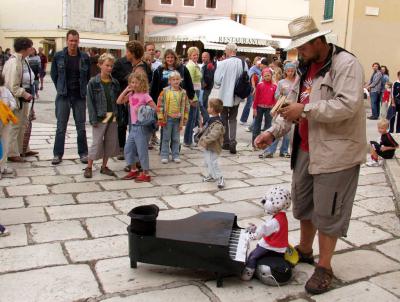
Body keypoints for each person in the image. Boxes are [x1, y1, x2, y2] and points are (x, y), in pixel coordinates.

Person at [255, 16, 366, 294]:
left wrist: (305, 110)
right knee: (304, 204)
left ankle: (325, 266)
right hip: (305, 148)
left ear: (318, 41)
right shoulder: (305, 68)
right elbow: (289, 105)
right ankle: (305, 249)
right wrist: (272, 133)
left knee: (329, 211)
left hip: (336, 152)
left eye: (302, 47)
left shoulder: (346, 65)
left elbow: (348, 105)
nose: (299, 53)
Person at [50, 30, 90, 165]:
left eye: (75, 40)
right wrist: (60, 88)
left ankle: (83, 153)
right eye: (71, 40)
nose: (73, 43)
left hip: (79, 95)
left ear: (78, 41)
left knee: (81, 127)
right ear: (67, 41)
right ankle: (57, 154)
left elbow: (88, 75)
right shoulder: (58, 56)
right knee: (61, 126)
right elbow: (54, 75)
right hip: (64, 96)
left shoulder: (84, 57)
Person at [112, 40, 152, 160]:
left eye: (128, 52)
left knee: (137, 134)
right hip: (136, 105)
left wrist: (128, 97)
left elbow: (140, 89)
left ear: (133, 54)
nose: (126, 54)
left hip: (137, 108)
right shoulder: (139, 66)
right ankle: (136, 160)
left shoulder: (139, 69)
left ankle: (137, 161)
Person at [241, 186, 291, 281]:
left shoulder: (275, 221)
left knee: (252, 256)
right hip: (279, 245)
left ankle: (247, 274)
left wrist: (251, 236)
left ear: (277, 204)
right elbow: (269, 230)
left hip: (272, 246)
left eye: (269, 200)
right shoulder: (282, 217)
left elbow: (263, 231)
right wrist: (256, 228)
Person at [84, 53, 120, 178]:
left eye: (111, 66)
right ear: (100, 65)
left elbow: (117, 100)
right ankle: (88, 166)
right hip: (100, 116)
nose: (109, 68)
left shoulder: (114, 82)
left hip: (112, 116)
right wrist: (93, 118)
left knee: (110, 142)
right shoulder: (93, 82)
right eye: (107, 65)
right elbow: (90, 102)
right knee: (97, 142)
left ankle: (104, 166)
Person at [2, 37, 38, 163]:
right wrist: (24, 94)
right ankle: (12, 152)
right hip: (17, 99)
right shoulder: (14, 63)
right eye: (30, 46)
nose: (32, 49)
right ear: (25, 48)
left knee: (23, 124)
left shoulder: (23, 60)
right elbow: (13, 86)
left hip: (24, 99)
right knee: (15, 125)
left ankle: (23, 149)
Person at [117, 71, 156, 182]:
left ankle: (146, 173)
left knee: (142, 151)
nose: (133, 84)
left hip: (142, 127)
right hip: (133, 127)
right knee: (128, 149)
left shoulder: (145, 96)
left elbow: (155, 109)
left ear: (142, 83)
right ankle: (134, 170)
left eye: (136, 83)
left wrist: (143, 110)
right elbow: (119, 101)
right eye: (132, 82)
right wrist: (126, 89)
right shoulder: (131, 95)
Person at [214, 43, 248, 154]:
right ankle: (233, 141)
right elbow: (246, 78)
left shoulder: (223, 63)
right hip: (237, 95)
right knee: (233, 119)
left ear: (228, 51)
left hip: (224, 95)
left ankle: (226, 141)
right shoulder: (243, 63)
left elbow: (217, 81)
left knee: (223, 118)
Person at [259, 62, 297, 158]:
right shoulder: (281, 82)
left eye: (292, 71)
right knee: (277, 129)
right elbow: (276, 96)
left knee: (288, 131)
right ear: (285, 71)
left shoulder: (297, 82)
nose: (290, 73)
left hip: (293, 107)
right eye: (288, 71)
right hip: (282, 107)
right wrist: (281, 92)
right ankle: (271, 150)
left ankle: (284, 150)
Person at [157, 71, 190, 164]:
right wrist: (160, 117)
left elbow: (187, 106)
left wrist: (185, 118)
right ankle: (164, 155)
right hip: (167, 119)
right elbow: (160, 104)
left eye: (177, 79)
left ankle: (175, 155)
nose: (176, 81)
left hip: (178, 120)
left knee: (176, 138)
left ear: (180, 80)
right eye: (173, 80)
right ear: (169, 81)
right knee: (166, 138)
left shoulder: (183, 92)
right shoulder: (165, 91)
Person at [198, 98, 225, 189]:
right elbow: (207, 129)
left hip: (214, 146)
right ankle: (211, 175)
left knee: (213, 162)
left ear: (213, 109)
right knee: (207, 162)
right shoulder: (211, 119)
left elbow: (214, 135)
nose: (207, 108)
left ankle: (220, 177)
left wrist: (204, 140)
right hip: (208, 146)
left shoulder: (217, 123)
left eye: (209, 107)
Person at [185, 46, 207, 146]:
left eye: (197, 54)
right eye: (194, 55)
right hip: (193, 93)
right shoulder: (191, 66)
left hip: (197, 92)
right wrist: (192, 98)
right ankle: (188, 140)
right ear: (189, 56)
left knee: (195, 118)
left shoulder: (195, 65)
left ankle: (191, 139)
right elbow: (189, 83)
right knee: (192, 118)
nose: (196, 56)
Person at [252, 68, 276, 145]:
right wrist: (254, 108)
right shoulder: (259, 85)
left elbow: (275, 99)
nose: (267, 77)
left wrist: (274, 109)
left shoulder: (275, 86)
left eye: (268, 75)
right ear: (262, 76)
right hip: (259, 107)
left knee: (268, 126)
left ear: (271, 75)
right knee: (256, 125)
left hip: (269, 108)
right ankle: (255, 143)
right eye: (265, 76)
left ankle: (265, 143)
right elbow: (256, 98)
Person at [0, 74, 17, 176]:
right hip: (5, 120)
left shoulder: (5, 90)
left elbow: (13, 103)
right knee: (4, 143)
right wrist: (9, 108)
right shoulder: (5, 90)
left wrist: (7, 109)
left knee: (5, 144)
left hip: (5, 120)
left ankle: (3, 166)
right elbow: (13, 103)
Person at [240, 56, 261, 126]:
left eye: (260, 61)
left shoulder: (261, 69)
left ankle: (254, 121)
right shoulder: (253, 69)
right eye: (257, 61)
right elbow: (250, 78)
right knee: (249, 104)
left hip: (259, 89)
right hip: (251, 88)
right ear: (254, 62)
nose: (259, 63)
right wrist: (254, 87)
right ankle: (243, 119)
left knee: (256, 105)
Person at [200, 51, 215, 119]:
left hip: (205, 89)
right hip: (206, 88)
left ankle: (206, 119)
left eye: (205, 57)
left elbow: (209, 78)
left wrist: (203, 85)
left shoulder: (209, 65)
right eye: (202, 57)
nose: (203, 58)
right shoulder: (205, 65)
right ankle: (207, 119)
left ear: (208, 57)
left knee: (201, 105)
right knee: (205, 105)